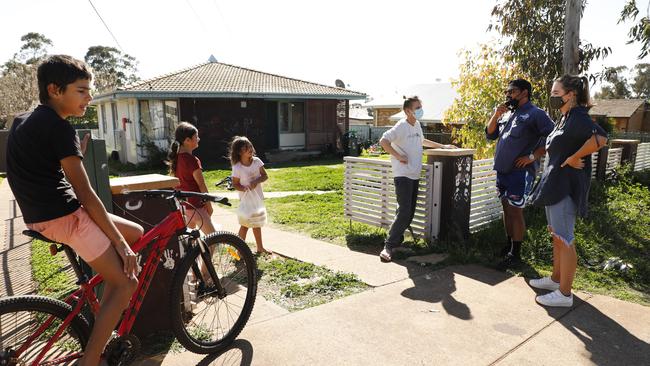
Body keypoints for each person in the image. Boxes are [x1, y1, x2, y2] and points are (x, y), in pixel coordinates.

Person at [6, 55, 143, 366]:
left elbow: (30, 167)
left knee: (137, 233)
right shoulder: (59, 128)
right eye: (82, 90)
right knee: (127, 282)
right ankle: (91, 359)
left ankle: (103, 317)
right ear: (55, 89)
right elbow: (86, 194)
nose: (89, 97)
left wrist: (69, 154)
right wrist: (121, 248)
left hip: (42, 216)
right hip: (65, 217)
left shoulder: (23, 120)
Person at [528, 74, 608, 307]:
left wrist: (575, 157)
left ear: (570, 95)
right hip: (554, 186)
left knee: (565, 239)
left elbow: (601, 138)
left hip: (566, 188)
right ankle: (556, 279)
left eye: (556, 93)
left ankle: (564, 294)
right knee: (557, 236)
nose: (552, 97)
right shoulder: (566, 118)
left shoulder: (579, 117)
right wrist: (570, 156)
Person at [485, 79, 555, 269]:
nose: (508, 95)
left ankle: (516, 255)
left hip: (520, 173)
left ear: (525, 92)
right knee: (506, 209)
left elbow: (554, 137)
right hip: (502, 171)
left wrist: (533, 156)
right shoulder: (508, 114)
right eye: (507, 92)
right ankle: (509, 247)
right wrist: (495, 114)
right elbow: (490, 134)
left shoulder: (536, 114)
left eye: (513, 91)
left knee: (516, 211)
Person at [378, 96, 456, 262]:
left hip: (414, 174)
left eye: (421, 106)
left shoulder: (417, 125)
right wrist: (398, 156)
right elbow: (383, 141)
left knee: (408, 211)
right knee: (405, 211)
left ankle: (397, 242)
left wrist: (443, 146)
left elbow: (422, 141)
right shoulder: (401, 126)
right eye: (417, 107)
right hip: (403, 175)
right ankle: (388, 246)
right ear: (408, 111)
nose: (421, 110)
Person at [167, 122, 217, 235]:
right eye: (196, 137)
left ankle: (197, 254)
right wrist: (209, 206)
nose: (198, 139)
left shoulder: (177, 159)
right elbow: (201, 185)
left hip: (184, 207)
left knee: (191, 243)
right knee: (214, 238)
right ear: (187, 140)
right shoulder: (192, 160)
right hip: (196, 206)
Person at [229, 136, 271, 254]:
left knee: (257, 223)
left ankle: (260, 248)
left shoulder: (257, 162)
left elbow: (265, 175)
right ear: (239, 151)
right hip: (246, 201)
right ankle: (238, 251)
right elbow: (235, 184)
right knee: (245, 225)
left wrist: (256, 181)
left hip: (257, 198)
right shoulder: (237, 167)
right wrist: (244, 188)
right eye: (246, 148)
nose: (250, 149)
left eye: (250, 146)